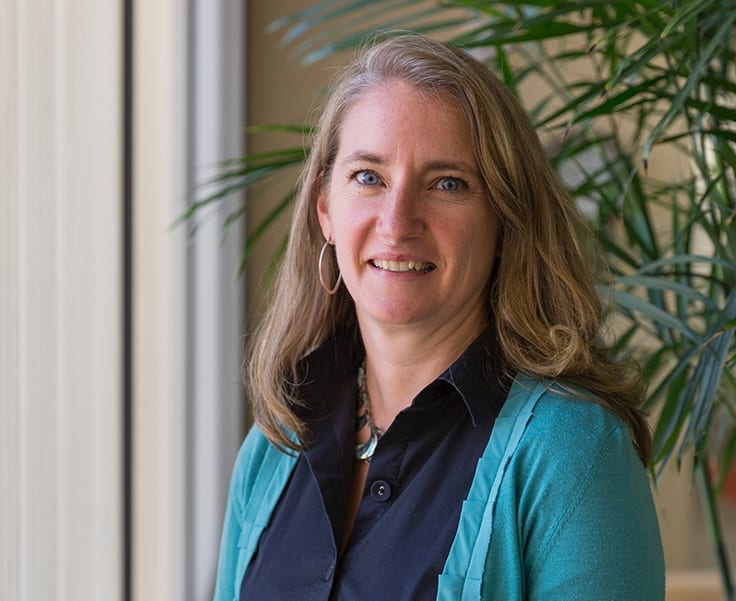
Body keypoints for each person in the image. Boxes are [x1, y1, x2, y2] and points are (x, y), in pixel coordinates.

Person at [214, 33, 664, 601]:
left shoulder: (572, 454)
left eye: (447, 183)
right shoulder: (274, 444)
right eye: (368, 177)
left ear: (505, 222)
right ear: (325, 210)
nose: (397, 222)